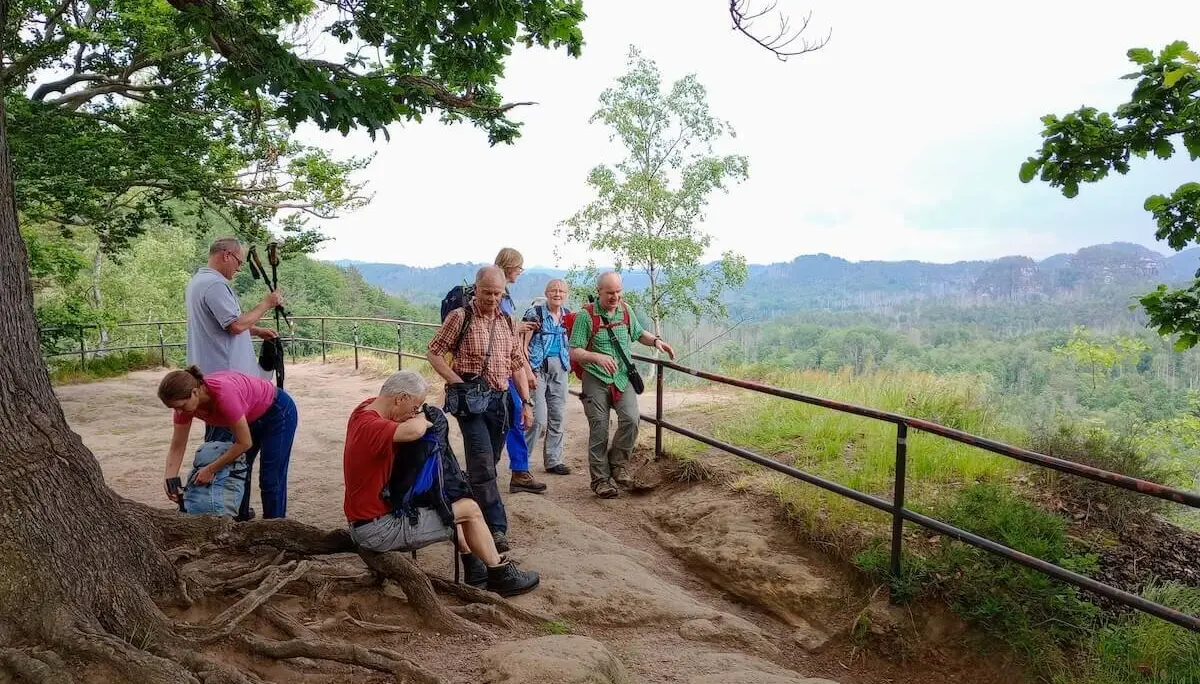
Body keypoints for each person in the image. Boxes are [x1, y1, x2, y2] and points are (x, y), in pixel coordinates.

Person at [342, 370, 539, 596]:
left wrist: (430, 404)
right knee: (470, 509)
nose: (414, 412)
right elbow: (415, 430)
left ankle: (475, 567)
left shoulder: (365, 409)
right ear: (400, 399)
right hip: (377, 530)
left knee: (448, 503)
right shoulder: (372, 427)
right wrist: (422, 417)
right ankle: (500, 574)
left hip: (365, 520)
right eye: (414, 406)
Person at [427, 266, 534, 553]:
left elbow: (516, 363)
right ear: (476, 289)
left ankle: (464, 502)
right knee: (484, 464)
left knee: (488, 461)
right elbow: (434, 352)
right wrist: (457, 382)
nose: (492, 298)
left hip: (499, 401)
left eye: (498, 293)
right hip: (471, 403)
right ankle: (496, 528)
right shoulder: (459, 317)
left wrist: (525, 402)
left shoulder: (508, 321)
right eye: (487, 292)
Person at [568, 272, 675, 499]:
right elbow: (574, 350)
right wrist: (597, 357)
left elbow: (637, 333)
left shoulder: (625, 310)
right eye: (610, 293)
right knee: (599, 427)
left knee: (631, 420)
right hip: (595, 377)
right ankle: (600, 480)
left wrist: (657, 342)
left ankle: (618, 466)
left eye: (618, 292)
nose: (615, 297)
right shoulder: (586, 316)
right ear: (599, 292)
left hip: (621, 377)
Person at [158, 366, 298, 519]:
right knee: (238, 470)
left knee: (271, 478)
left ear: (195, 392)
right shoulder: (185, 407)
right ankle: (240, 519)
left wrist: (211, 469)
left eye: (180, 406)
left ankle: (275, 527)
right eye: (173, 408)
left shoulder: (224, 396)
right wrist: (170, 477)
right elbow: (178, 445)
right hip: (246, 415)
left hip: (277, 412)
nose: (178, 412)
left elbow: (244, 443)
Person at [186, 237, 285, 452]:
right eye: (239, 262)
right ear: (226, 255)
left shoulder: (198, 282)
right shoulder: (215, 285)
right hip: (226, 382)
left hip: (210, 374)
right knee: (225, 448)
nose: (239, 268)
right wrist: (267, 303)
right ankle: (219, 482)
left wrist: (256, 331)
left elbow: (222, 323)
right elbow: (235, 325)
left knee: (219, 444)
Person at [493, 247, 547, 494]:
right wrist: (525, 368)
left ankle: (512, 470)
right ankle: (518, 472)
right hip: (501, 366)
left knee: (510, 416)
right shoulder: (501, 295)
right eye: (519, 267)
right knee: (516, 415)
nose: (520, 273)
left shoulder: (502, 294)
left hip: (501, 364)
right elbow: (502, 332)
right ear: (510, 266)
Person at [522, 279, 572, 475]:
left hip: (560, 367)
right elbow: (522, 344)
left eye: (561, 291)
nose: (557, 294)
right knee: (537, 419)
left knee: (558, 416)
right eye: (553, 290)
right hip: (537, 368)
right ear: (546, 292)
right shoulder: (535, 314)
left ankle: (553, 460)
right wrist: (527, 370)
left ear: (566, 294)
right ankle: (521, 463)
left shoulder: (568, 316)